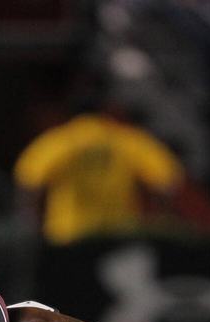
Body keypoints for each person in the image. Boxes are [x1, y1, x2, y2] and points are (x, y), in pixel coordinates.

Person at [14, 96, 184, 245]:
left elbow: (29, 180)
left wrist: (29, 221)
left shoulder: (60, 140)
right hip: (117, 233)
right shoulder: (126, 139)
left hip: (69, 234)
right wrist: (161, 218)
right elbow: (165, 181)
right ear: (105, 111)